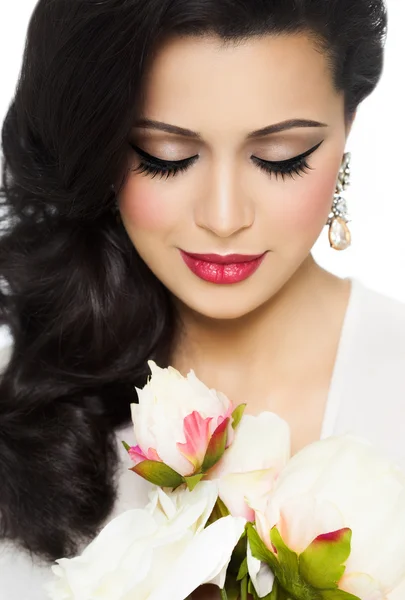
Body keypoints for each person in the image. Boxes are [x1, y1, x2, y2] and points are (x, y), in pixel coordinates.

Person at [0, 0, 404, 598]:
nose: (223, 217)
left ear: (347, 124)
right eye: (166, 158)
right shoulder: (29, 394)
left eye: (281, 157)